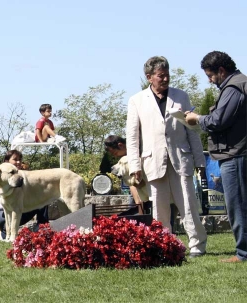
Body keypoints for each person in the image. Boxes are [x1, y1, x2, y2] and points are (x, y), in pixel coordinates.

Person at [126, 56, 207, 258]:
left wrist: (200, 160)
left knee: (188, 203)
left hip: (181, 159)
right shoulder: (136, 100)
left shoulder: (181, 96)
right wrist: (135, 165)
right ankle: (165, 245)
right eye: (160, 76)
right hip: (153, 160)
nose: (165, 79)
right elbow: (133, 136)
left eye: (167, 75)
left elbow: (192, 130)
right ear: (149, 77)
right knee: (159, 209)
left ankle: (197, 245)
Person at [185, 51, 246, 263]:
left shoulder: (234, 87)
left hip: (236, 155)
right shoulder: (238, 84)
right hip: (236, 154)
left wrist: (197, 119)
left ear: (221, 70)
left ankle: (243, 254)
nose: (210, 81)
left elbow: (219, 120)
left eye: (210, 76)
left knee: (237, 205)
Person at [0, 150, 49, 240]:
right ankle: (8, 233)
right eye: (15, 159)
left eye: (20, 159)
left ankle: (42, 232)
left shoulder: (19, 177)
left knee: (42, 199)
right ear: (7, 161)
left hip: (16, 212)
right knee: (12, 211)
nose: (18, 162)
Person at [103, 135, 144, 205]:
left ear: (120, 145)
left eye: (115, 153)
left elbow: (134, 181)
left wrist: (138, 201)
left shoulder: (138, 151)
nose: (116, 156)